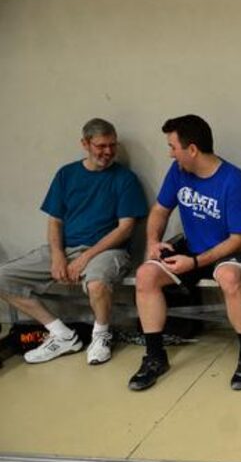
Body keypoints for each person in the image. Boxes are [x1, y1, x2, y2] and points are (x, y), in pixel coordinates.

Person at [0, 118, 148, 365]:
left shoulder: (125, 179)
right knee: (3, 277)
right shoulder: (66, 174)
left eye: (112, 145)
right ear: (85, 144)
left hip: (107, 250)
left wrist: (85, 258)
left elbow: (125, 229)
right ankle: (61, 334)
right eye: (101, 146)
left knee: (97, 283)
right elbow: (55, 221)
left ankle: (101, 335)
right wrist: (58, 255)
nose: (108, 152)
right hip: (66, 249)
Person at [129, 115, 241, 392]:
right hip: (194, 248)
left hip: (232, 251)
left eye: (172, 146)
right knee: (146, 275)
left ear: (192, 149)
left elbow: (239, 239)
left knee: (228, 277)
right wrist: (153, 241)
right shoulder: (178, 172)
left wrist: (196, 262)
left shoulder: (234, 180)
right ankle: (155, 356)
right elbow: (160, 211)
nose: (170, 153)